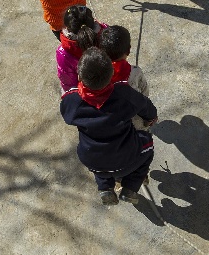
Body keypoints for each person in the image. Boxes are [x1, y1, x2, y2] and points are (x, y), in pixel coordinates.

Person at [60, 47, 158, 205]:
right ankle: (131, 187)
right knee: (147, 143)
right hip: (127, 157)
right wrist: (151, 117)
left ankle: (105, 187)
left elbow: (66, 111)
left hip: (92, 160)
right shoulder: (123, 94)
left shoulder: (72, 102)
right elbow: (145, 106)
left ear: (79, 76)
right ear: (112, 73)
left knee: (98, 157)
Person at [99, 25, 150, 130]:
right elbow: (144, 94)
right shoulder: (135, 72)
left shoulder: (98, 76)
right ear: (128, 50)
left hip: (111, 124)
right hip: (134, 120)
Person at [56, 5, 107, 93]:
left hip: (85, 93)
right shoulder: (105, 33)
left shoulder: (63, 53)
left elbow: (68, 84)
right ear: (92, 21)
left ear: (67, 27)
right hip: (109, 84)